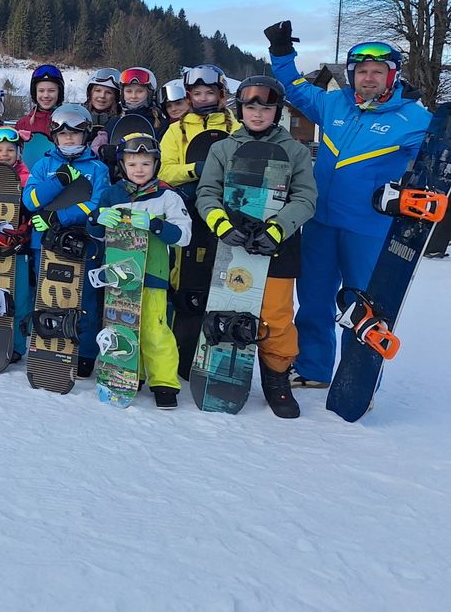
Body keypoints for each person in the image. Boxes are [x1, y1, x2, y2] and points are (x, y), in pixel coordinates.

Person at [266, 22, 432, 387]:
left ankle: (355, 376)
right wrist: (281, 53)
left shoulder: (415, 119)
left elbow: (437, 167)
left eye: (377, 71)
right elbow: (294, 87)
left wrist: (409, 194)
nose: (368, 78)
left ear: (392, 75)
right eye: (361, 71)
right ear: (352, 74)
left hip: (368, 228)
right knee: (313, 300)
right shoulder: (334, 102)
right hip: (321, 222)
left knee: (363, 306)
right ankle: (313, 368)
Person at [195, 76, 317, 418]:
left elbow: (306, 198)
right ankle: (224, 370)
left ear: (276, 112)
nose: (258, 114)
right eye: (251, 107)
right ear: (240, 110)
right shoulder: (223, 148)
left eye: (266, 108)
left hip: (277, 246)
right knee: (231, 307)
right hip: (233, 244)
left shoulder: (294, 150)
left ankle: (277, 377)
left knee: (276, 316)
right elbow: (207, 193)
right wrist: (222, 223)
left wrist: (278, 229)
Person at [86, 132, 192, 408]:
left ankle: (164, 382)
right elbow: (95, 232)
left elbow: (184, 235)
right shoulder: (113, 194)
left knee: (155, 330)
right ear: (122, 165)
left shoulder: (167, 195)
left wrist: (157, 225)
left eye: (146, 163)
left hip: (152, 275)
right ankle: (131, 372)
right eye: (133, 164)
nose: (139, 170)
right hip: (119, 276)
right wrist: (97, 219)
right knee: (123, 328)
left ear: (155, 164)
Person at [21, 104, 110, 366]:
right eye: (63, 134)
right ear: (54, 136)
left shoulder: (97, 168)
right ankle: (49, 343)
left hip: (83, 242)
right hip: (45, 243)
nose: (68, 138)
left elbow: (97, 204)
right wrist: (58, 180)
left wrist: (58, 217)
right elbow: (30, 200)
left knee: (84, 298)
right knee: (50, 294)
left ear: (86, 135)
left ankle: (84, 352)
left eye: (75, 133)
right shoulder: (44, 164)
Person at [159, 65, 240, 191]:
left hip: (227, 195)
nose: (203, 98)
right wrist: (194, 170)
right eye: (197, 94)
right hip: (188, 198)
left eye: (210, 93)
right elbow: (163, 171)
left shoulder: (236, 129)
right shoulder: (176, 130)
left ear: (221, 94)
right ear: (189, 96)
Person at [15, 64, 64, 138]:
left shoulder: (67, 122)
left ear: (59, 93)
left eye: (51, 91)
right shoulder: (23, 125)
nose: (46, 95)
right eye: (41, 91)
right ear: (35, 93)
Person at [84, 68, 122, 151]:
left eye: (108, 92)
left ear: (115, 97)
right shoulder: (78, 117)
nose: (102, 96)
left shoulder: (122, 121)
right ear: (90, 93)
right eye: (97, 91)